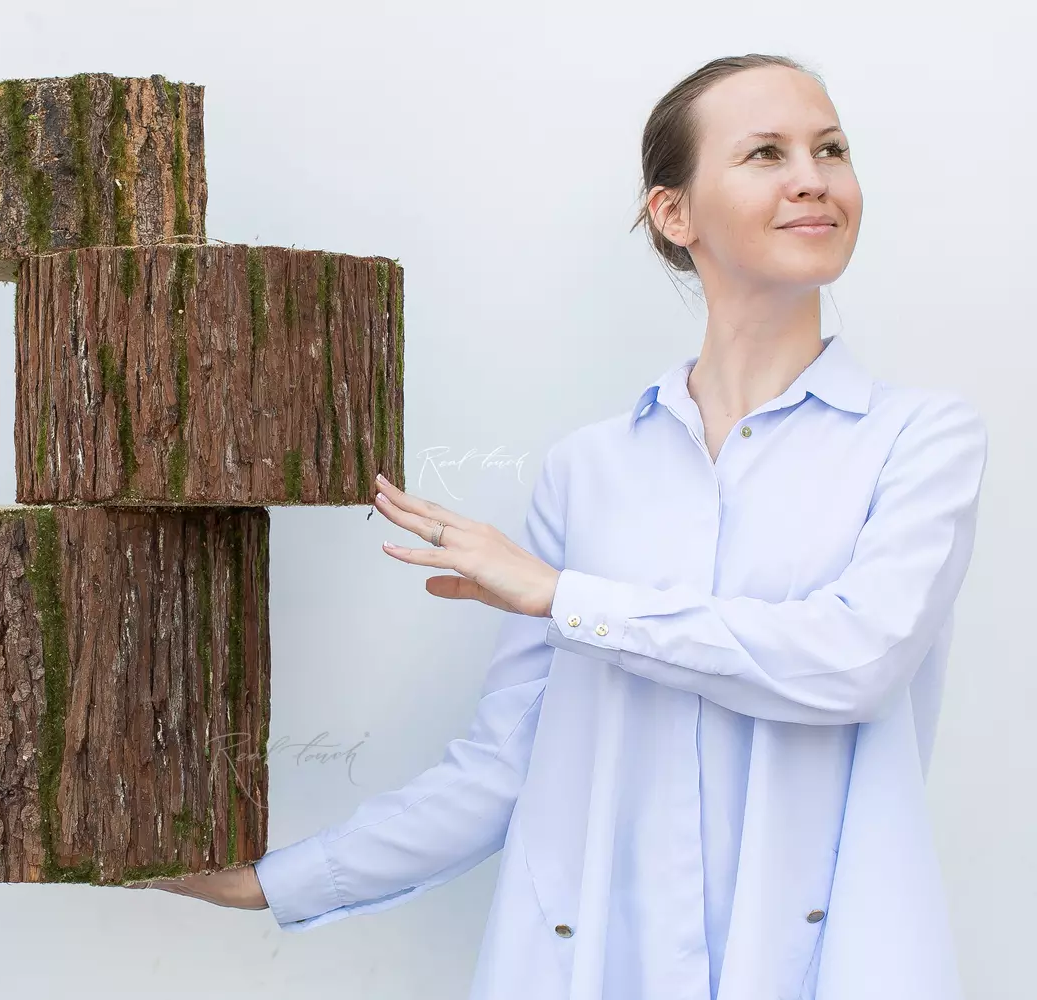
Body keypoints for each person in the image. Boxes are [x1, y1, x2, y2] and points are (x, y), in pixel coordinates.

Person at [126, 53, 988, 1000]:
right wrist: (276, 883)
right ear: (674, 213)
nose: (813, 178)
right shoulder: (590, 471)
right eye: (765, 153)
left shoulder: (919, 441)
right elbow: (508, 765)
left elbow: (855, 661)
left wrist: (565, 598)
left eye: (831, 149)